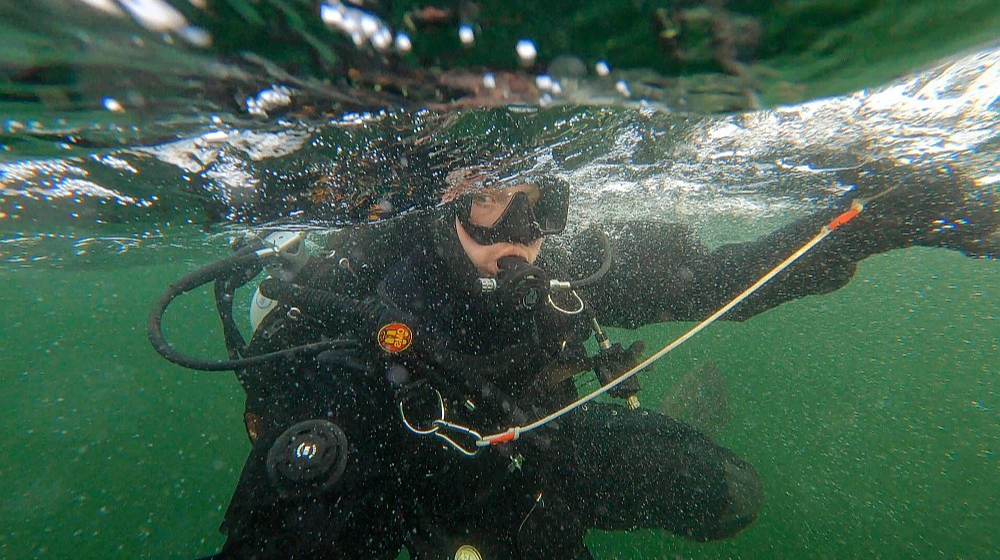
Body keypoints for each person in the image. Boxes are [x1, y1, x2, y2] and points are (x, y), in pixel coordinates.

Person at [168, 164, 994, 560]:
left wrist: (871, 225)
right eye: (490, 207)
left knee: (731, 494)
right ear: (443, 205)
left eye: (539, 210)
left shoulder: (565, 272)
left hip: (542, 456)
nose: (518, 239)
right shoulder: (363, 308)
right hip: (403, 497)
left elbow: (724, 281)